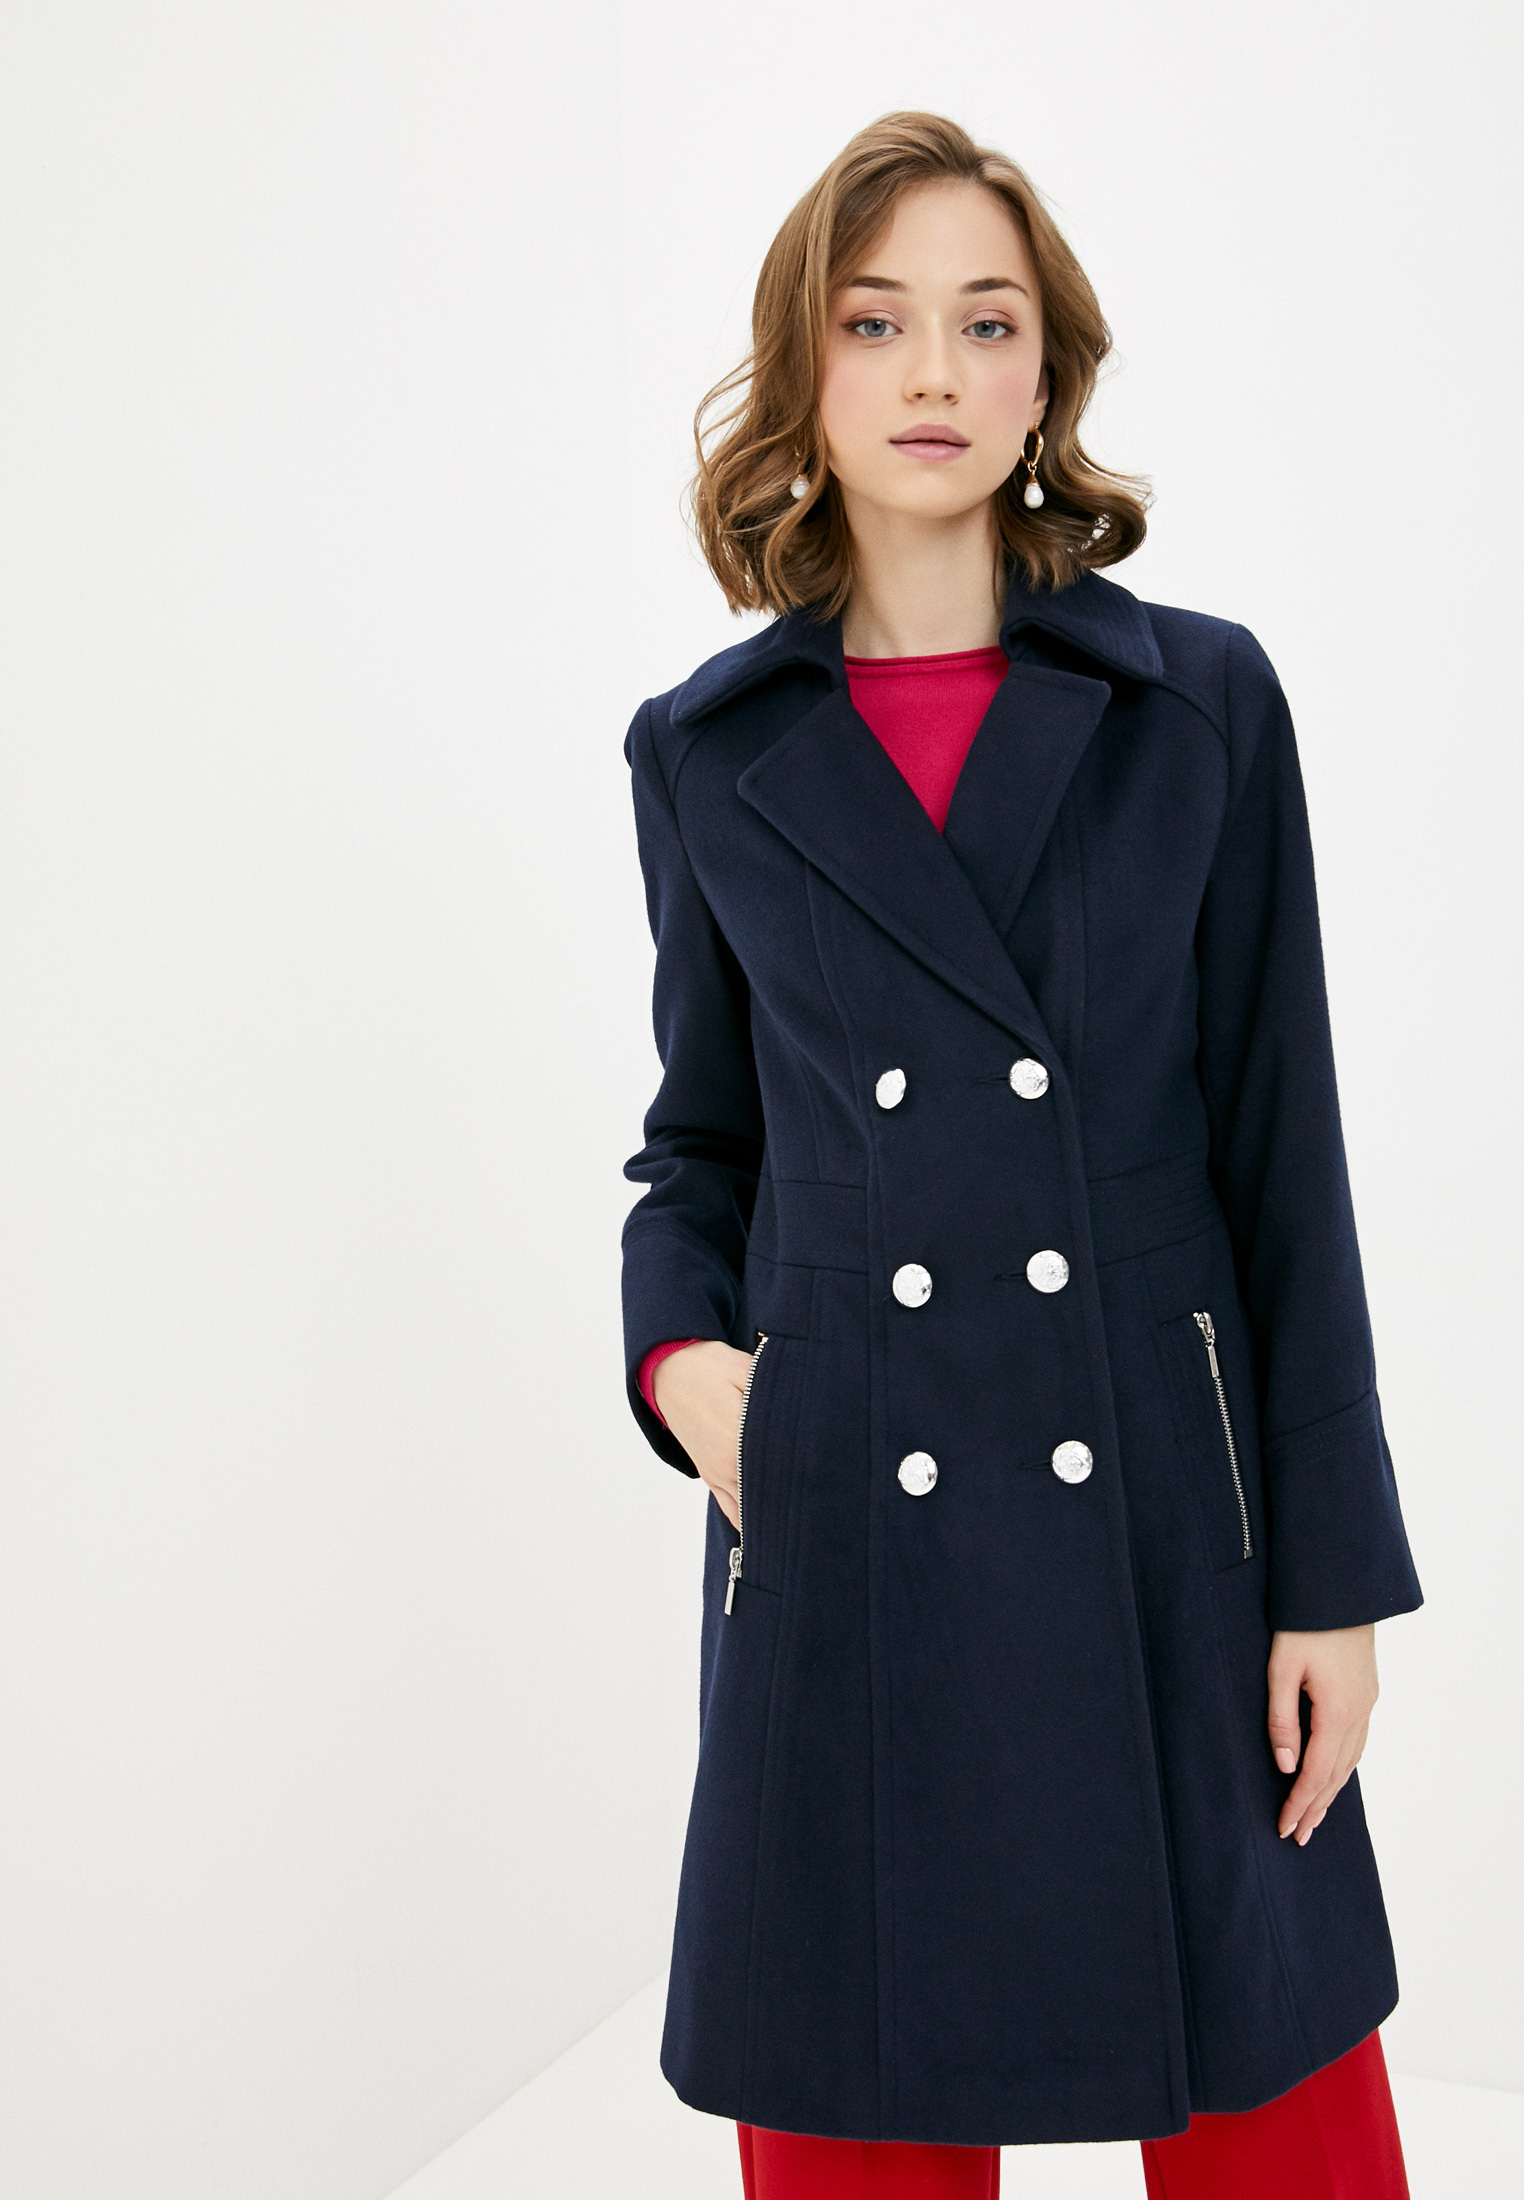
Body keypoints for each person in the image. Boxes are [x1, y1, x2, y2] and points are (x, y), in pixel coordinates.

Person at [618, 111, 1423, 2200]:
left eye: (988, 323)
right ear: (804, 366)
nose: (934, 372)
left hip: (1163, 1518)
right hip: (843, 1521)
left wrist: (1334, 1580)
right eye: (876, 321)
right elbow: (698, 1146)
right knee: (856, 2107)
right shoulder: (707, 749)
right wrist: (687, 1370)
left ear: (1047, 371)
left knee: (1282, 2120)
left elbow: (1288, 1154)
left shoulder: (1197, 703)